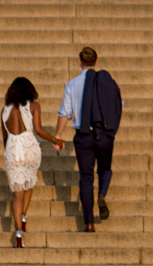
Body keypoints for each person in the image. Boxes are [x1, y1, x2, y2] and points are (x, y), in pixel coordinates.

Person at [50, 46, 121, 232]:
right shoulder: (107, 82)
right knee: (105, 169)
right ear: (97, 62)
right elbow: (118, 104)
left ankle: (89, 223)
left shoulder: (72, 84)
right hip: (104, 134)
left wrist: (58, 136)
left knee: (86, 178)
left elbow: (65, 113)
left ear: (79, 62)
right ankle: (102, 196)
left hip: (84, 136)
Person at [0, 77, 50, 248]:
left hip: (13, 149)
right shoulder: (34, 106)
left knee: (17, 193)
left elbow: (4, 137)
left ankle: (19, 232)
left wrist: (9, 153)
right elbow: (39, 129)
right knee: (29, 184)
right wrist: (55, 140)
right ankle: (23, 216)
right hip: (30, 148)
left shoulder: (4, 110)